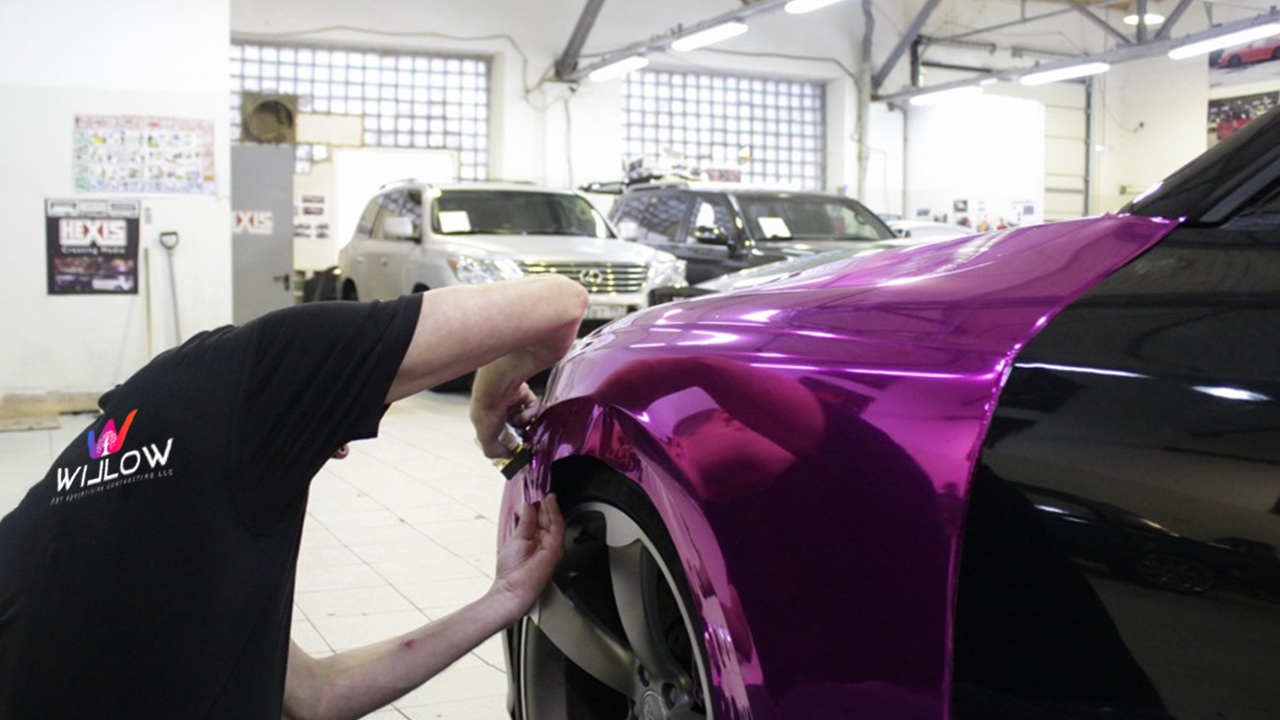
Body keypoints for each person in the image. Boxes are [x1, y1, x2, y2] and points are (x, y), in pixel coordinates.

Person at [0, 274, 588, 720]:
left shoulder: (114, 492)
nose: (346, 448)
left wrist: (504, 598)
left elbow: (314, 696)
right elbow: (557, 304)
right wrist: (488, 408)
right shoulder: (265, 369)